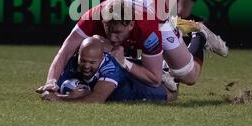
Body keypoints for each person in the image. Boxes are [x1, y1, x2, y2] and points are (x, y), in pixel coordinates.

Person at [36, 0, 228, 96]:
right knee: (98, 44)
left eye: (118, 32)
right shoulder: (93, 16)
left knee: (188, 76)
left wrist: (124, 63)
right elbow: (65, 50)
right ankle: (162, 64)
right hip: (133, 3)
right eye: (107, 29)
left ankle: (198, 32)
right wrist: (51, 81)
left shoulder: (147, 28)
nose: (112, 36)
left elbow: (153, 79)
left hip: (158, 17)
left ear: (130, 25)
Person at [37, 37, 177, 103]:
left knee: (173, 91)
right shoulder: (72, 62)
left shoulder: (109, 67)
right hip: (125, 79)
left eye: (92, 62)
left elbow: (97, 99)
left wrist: (62, 99)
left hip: (143, 91)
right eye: (83, 61)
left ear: (102, 58)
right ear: (78, 55)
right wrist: (51, 89)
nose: (86, 66)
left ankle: (198, 36)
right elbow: (52, 89)